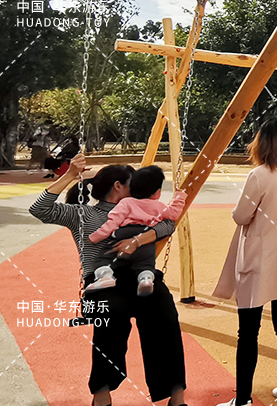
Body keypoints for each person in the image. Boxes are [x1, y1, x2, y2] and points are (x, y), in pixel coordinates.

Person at [29, 156, 188, 406]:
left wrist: (137, 240)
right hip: (102, 280)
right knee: (112, 316)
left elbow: (168, 225)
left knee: (164, 314)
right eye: (134, 183)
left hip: (139, 276)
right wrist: (69, 175)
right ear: (118, 186)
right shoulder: (84, 214)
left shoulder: (142, 208)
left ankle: (176, 398)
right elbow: (39, 209)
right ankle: (102, 396)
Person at [214, 116, 277, 406]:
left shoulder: (259, 175)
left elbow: (241, 216)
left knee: (248, 331)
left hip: (260, 259)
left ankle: (243, 399)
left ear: (263, 143)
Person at [86, 165, 188, 296]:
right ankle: (146, 279)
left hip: (124, 234)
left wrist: (95, 237)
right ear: (157, 192)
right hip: (146, 241)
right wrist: (179, 197)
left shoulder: (126, 202)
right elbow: (173, 214)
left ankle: (105, 276)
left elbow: (112, 223)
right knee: (146, 264)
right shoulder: (159, 206)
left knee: (104, 258)